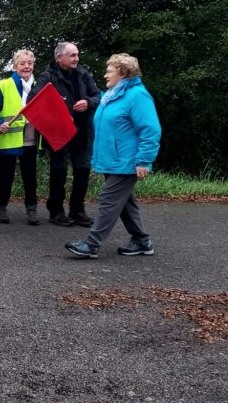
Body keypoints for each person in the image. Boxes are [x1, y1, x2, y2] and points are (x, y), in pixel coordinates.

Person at [66, 53, 161, 259]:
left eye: (109, 70)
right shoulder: (112, 95)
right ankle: (142, 241)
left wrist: (144, 160)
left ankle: (91, 244)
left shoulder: (137, 95)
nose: (105, 74)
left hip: (127, 161)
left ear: (122, 73)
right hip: (113, 160)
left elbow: (150, 129)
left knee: (109, 199)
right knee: (125, 202)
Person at [36, 42, 101, 227]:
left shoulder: (83, 73)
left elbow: (99, 96)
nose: (76, 59)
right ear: (59, 58)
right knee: (59, 172)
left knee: (82, 170)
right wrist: (60, 115)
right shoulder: (47, 76)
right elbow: (35, 101)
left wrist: (88, 102)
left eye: (77, 55)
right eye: (72, 55)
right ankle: (56, 211)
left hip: (83, 132)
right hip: (60, 132)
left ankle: (77, 210)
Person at [0, 49, 40, 225]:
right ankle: (0, 208)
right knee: (5, 176)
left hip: (31, 138)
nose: (26, 66)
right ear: (15, 66)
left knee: (30, 176)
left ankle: (32, 209)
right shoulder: (3, 85)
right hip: (8, 137)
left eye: (29, 63)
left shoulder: (40, 86)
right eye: (22, 63)